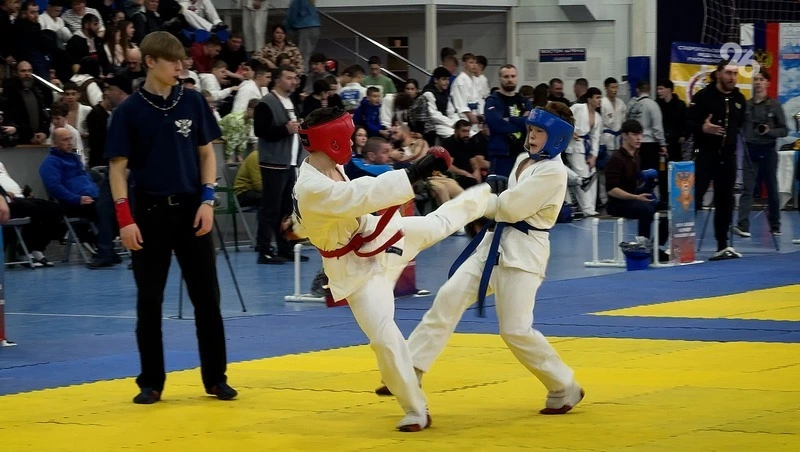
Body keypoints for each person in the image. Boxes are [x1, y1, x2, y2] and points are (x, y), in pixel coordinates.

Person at [286, 107, 492, 431]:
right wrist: (417, 170)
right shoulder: (312, 186)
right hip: (356, 271)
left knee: (435, 224)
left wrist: (297, 227)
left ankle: (488, 198)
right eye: (347, 137)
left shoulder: (329, 166)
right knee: (384, 337)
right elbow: (358, 195)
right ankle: (416, 409)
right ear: (332, 141)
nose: (352, 142)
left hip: (379, 237)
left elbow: (326, 211)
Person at [374, 102, 584, 417]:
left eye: (540, 131)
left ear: (556, 138)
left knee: (515, 330)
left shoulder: (553, 171)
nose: (532, 136)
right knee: (448, 298)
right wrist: (481, 197)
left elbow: (511, 208)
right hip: (493, 245)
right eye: (531, 129)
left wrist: (472, 197)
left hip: (524, 253)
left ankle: (563, 384)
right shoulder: (524, 159)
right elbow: (505, 205)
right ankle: (410, 370)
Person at [105, 32, 237, 404]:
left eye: (182, 61)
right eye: (172, 61)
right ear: (150, 62)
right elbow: (117, 168)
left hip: (192, 209)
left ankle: (216, 378)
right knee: (149, 301)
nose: (180, 67)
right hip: (148, 214)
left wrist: (208, 200)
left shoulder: (192, 101)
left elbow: (207, 154)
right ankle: (151, 382)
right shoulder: (128, 111)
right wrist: (124, 218)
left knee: (207, 299)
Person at [687, 59, 746, 260]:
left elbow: (740, 124)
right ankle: (674, 242)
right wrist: (702, 128)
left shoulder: (739, 99)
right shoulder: (703, 96)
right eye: (728, 73)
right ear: (719, 73)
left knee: (725, 201)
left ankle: (722, 245)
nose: (732, 77)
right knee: (692, 199)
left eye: (735, 73)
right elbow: (687, 123)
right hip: (705, 155)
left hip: (728, 157)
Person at [605, 119, 669, 261]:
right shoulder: (616, 159)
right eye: (634, 135)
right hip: (617, 203)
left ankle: (654, 247)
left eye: (640, 134)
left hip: (633, 197)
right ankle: (643, 249)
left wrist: (645, 185)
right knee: (646, 209)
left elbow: (634, 182)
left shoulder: (636, 156)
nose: (639, 138)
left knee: (668, 208)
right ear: (624, 136)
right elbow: (611, 190)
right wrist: (636, 197)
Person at [734, 69, 787, 237]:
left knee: (772, 189)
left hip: (768, 151)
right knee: (747, 189)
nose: (758, 82)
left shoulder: (775, 106)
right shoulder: (746, 105)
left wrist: (769, 131)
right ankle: (742, 225)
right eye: (755, 79)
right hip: (750, 151)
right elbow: (737, 126)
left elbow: (784, 130)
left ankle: (775, 225)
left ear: (767, 83)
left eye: (761, 79)